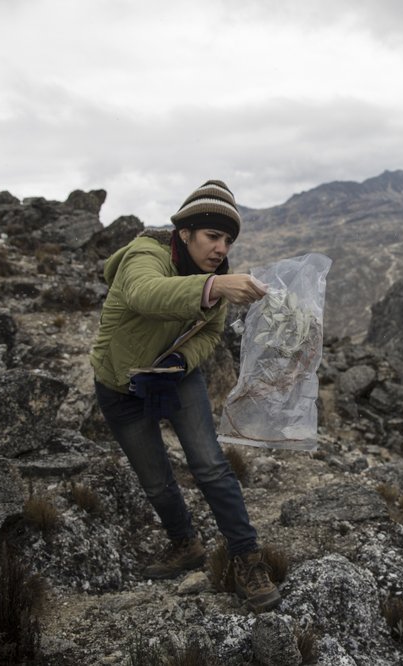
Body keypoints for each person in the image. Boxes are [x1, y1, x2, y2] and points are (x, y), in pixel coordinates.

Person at [90, 179, 281, 613]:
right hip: (119, 385)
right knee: (155, 479)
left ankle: (248, 559)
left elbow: (210, 334)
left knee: (210, 465)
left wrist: (179, 363)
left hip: (173, 377)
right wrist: (213, 288)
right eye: (213, 236)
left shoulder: (216, 276)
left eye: (228, 239)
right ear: (185, 232)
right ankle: (185, 545)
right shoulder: (146, 254)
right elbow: (145, 295)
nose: (220, 247)